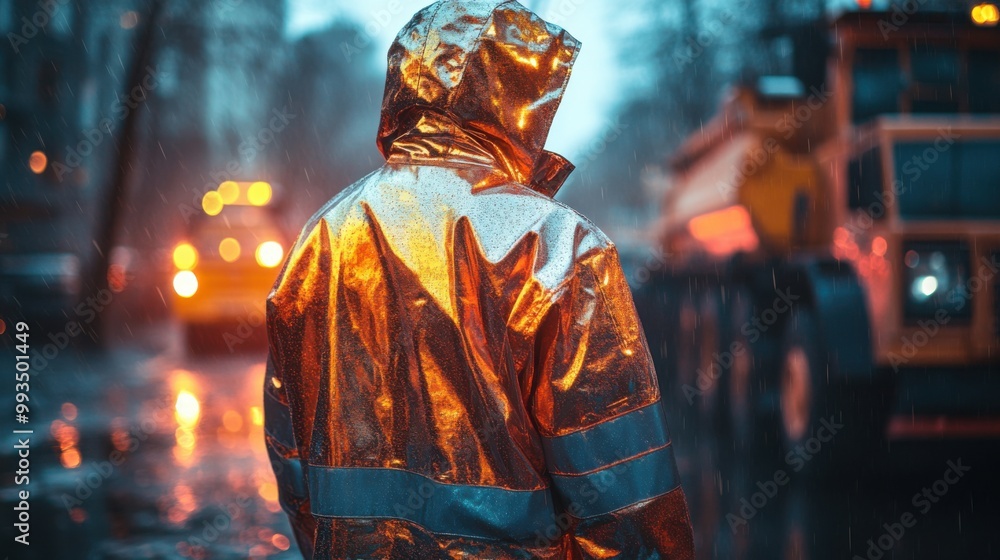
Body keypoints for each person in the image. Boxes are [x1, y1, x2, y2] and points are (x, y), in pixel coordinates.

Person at [263, 0, 695, 557]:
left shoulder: (320, 240)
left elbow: (292, 453)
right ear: (509, 99)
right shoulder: (558, 246)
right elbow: (624, 490)